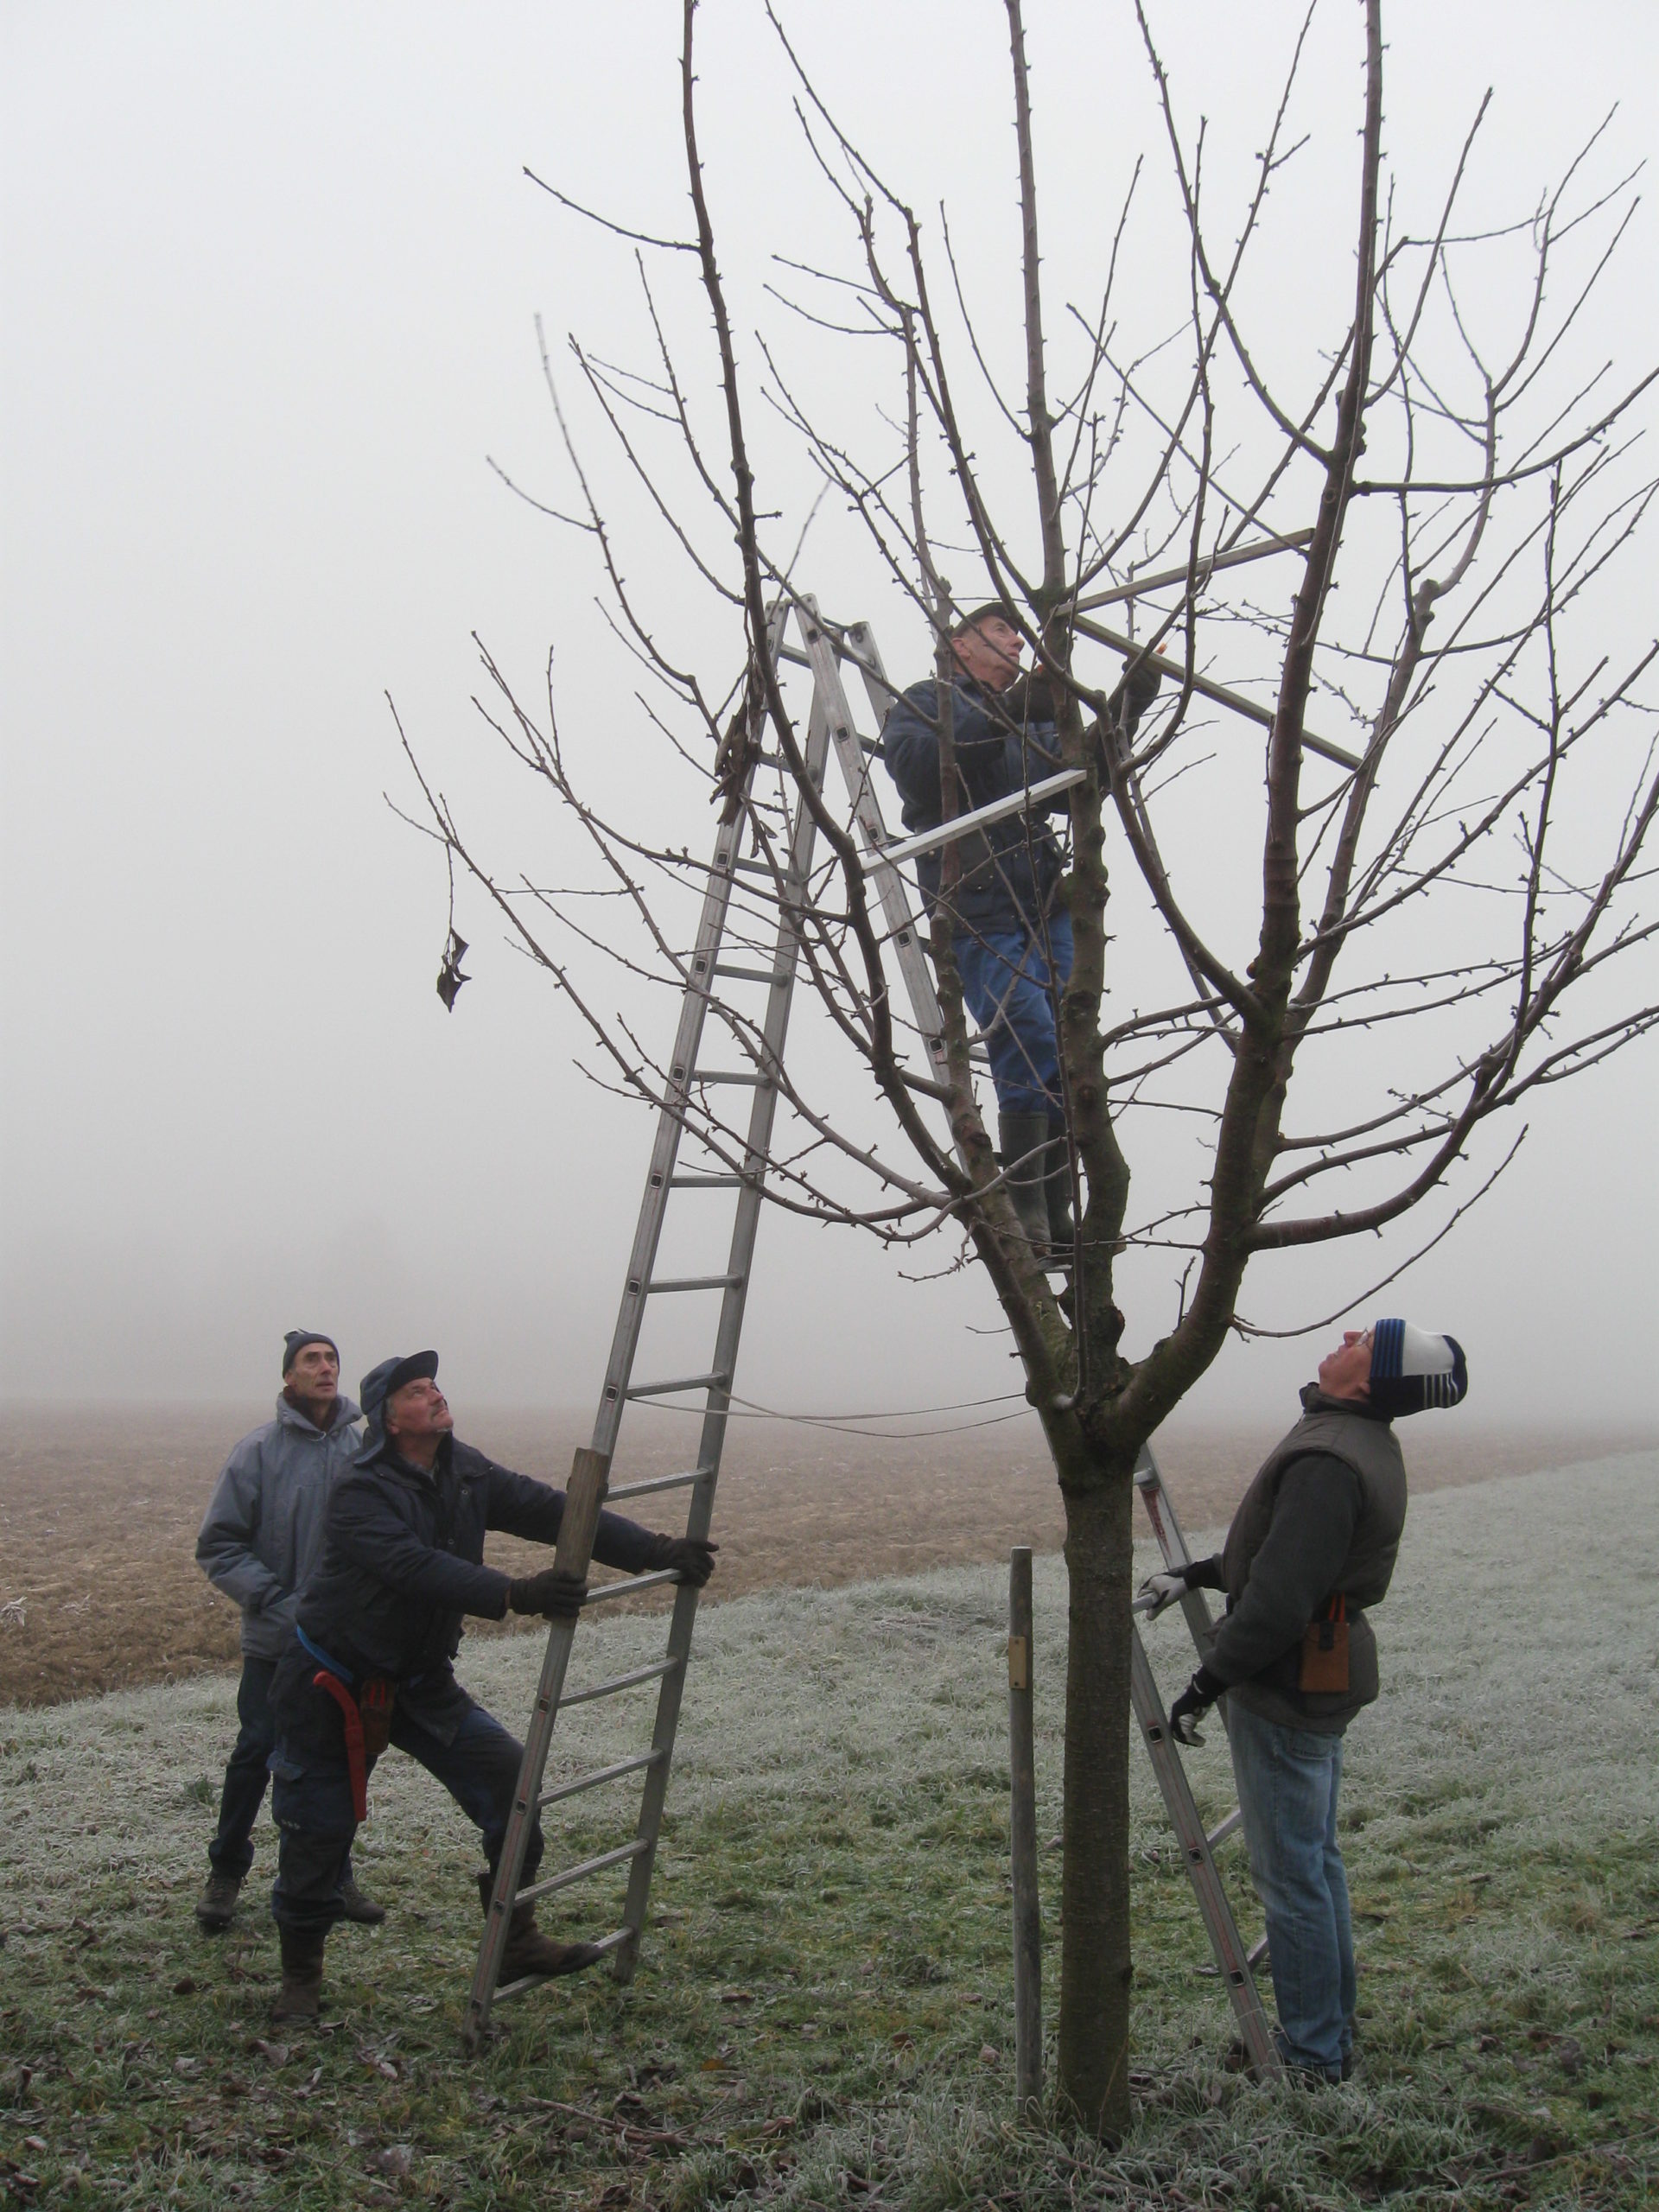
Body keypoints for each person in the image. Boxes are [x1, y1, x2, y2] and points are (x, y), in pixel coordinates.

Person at [264, 1349, 717, 2021]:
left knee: (512, 1784)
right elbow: (414, 1566)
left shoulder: (464, 1470)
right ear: (390, 1420)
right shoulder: (359, 1492)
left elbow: (553, 1511)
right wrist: (513, 1593)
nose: (435, 1395)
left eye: (434, 1385)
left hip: (420, 1682)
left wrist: (654, 1550)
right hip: (332, 1682)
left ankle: (515, 1937)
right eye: (417, 1392)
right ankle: (300, 1977)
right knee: (318, 1828)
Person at [1143, 1319, 1469, 2083]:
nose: (1350, 1333)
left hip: (1287, 1687)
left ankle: (1314, 2056)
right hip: (1316, 1673)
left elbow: (1281, 1597)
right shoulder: (1351, 1439)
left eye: (1368, 1340)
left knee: (1292, 1878)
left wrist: (1206, 1684)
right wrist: (1197, 1574)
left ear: (1370, 1378)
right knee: (1315, 1864)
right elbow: (1287, 1554)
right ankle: (1330, 2032)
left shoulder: (1329, 1459)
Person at [881, 606, 1158, 1254]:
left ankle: (1055, 1210)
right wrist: (1007, 712)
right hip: (976, 896)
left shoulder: (1027, 723)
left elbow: (1076, 783)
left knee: (1067, 1042)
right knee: (1027, 1030)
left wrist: (1126, 707)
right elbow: (921, 768)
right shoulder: (927, 701)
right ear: (959, 645)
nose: (1015, 641)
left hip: (1042, 897)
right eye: (1001, 630)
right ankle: (1027, 1202)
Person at [194, 1331, 384, 1934]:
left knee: (337, 1761)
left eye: (332, 1359)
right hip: (277, 1643)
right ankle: (226, 1872)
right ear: (289, 1377)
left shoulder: (363, 1451)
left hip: (343, 1646)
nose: (325, 1367)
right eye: (311, 1359)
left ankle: (333, 1875)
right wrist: (279, 1605)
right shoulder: (257, 1452)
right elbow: (219, 1545)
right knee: (255, 1753)